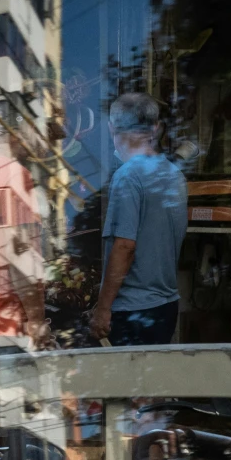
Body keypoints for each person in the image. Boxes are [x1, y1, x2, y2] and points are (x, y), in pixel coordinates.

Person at [90, 92, 188, 345]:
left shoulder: (128, 177)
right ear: (155, 128)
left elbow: (125, 246)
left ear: (112, 128)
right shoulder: (174, 174)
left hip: (133, 311)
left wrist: (102, 308)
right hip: (167, 305)